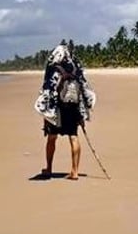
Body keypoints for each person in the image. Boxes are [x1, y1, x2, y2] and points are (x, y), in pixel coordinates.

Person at [35, 40, 94, 180]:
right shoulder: (76, 69)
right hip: (73, 105)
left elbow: (48, 91)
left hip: (58, 107)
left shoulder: (55, 69)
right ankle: (75, 171)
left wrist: (46, 115)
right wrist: (82, 113)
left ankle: (49, 168)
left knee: (51, 138)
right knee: (73, 136)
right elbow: (84, 88)